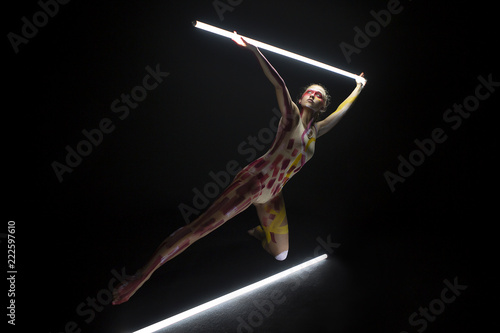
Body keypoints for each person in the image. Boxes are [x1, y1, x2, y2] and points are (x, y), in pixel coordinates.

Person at [112, 35, 366, 305]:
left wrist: (358, 87)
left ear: (321, 106)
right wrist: (255, 50)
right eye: (310, 92)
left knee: (281, 254)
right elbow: (279, 85)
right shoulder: (291, 116)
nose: (313, 95)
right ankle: (143, 275)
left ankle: (259, 231)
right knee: (199, 229)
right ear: (302, 97)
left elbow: (341, 110)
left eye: (320, 96)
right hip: (253, 183)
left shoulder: (316, 131)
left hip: (273, 193)